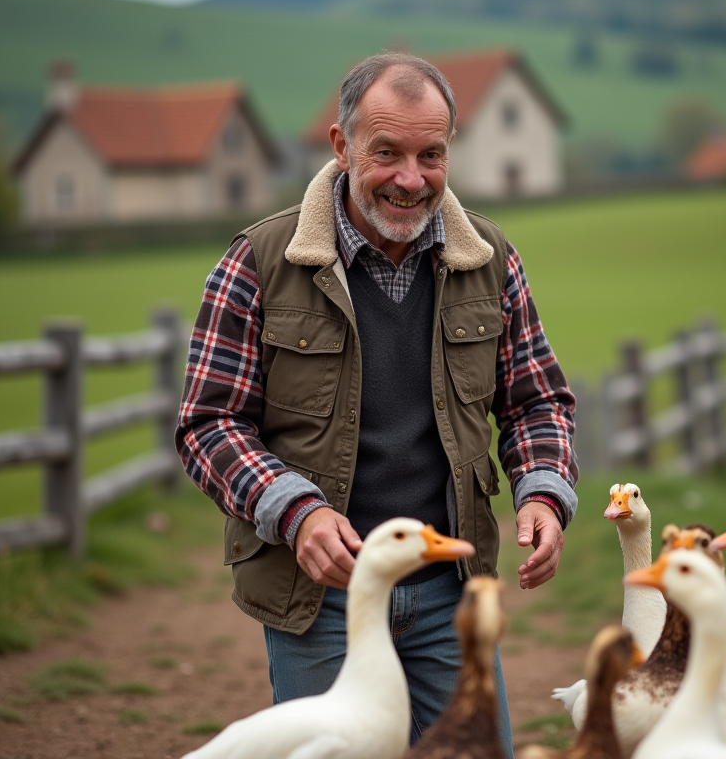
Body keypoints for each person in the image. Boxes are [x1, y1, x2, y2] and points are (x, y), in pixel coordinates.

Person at [175, 53, 578, 756]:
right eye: (386, 152)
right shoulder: (258, 262)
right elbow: (208, 424)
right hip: (317, 594)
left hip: (449, 589)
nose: (410, 179)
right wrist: (295, 510)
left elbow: (535, 400)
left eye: (431, 154)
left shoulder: (491, 257)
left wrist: (542, 491)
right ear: (341, 145)